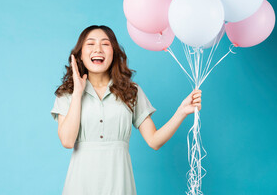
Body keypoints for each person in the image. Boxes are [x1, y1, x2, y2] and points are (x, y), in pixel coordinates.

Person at [50, 25, 202, 195]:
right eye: (90, 44)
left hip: (120, 184)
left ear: (114, 52)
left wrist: (181, 111)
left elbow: (154, 141)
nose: (98, 49)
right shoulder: (67, 93)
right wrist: (78, 93)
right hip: (79, 185)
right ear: (79, 54)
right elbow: (67, 141)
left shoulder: (131, 91)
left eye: (105, 44)